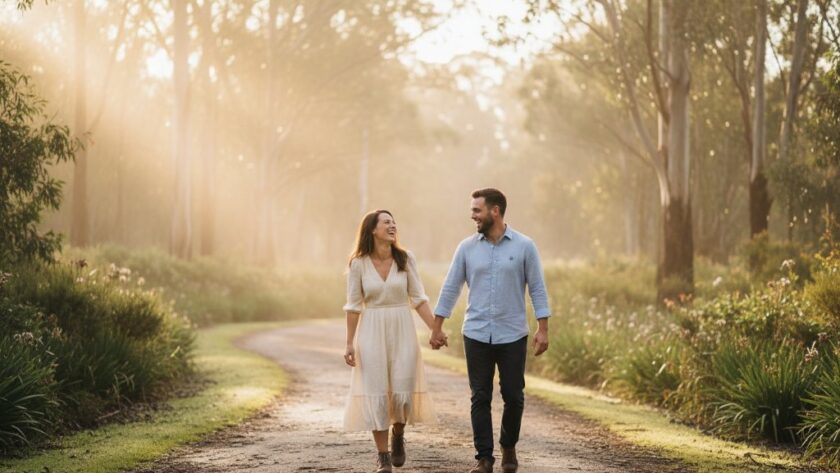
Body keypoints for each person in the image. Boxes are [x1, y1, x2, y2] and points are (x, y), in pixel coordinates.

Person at [429, 188, 551, 473]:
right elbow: (451, 287)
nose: (473, 215)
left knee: (514, 394)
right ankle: (484, 458)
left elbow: (537, 288)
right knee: (479, 396)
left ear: (494, 211)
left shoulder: (524, 246)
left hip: (512, 334)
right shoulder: (466, 248)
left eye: (477, 210)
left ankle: (508, 445)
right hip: (476, 333)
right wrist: (437, 326)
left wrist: (542, 328)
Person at [343, 209, 444, 473]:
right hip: (372, 331)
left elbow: (419, 298)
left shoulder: (405, 258)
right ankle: (383, 456)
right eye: (386, 222)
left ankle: (398, 433)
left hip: (403, 329)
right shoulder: (358, 263)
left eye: (393, 221)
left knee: (403, 394)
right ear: (372, 230)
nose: (392, 225)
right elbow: (353, 306)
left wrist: (436, 329)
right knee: (376, 390)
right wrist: (349, 343)